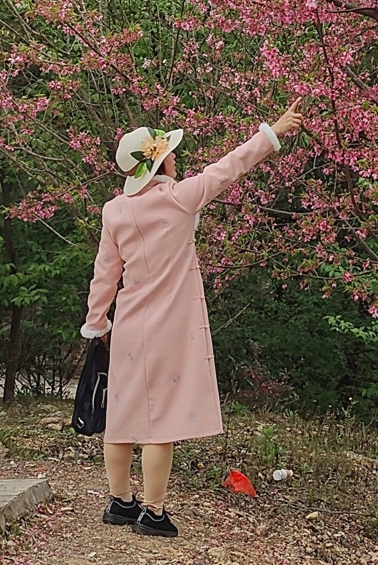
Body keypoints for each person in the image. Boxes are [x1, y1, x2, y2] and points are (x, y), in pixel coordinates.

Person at [81, 101, 305, 537]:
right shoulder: (179, 199)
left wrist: (97, 322)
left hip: (127, 321)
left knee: (122, 414)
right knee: (159, 421)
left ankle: (120, 501)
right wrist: (272, 132)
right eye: (170, 152)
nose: (176, 156)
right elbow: (229, 167)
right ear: (159, 161)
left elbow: (104, 273)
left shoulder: (114, 211)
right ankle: (154, 511)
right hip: (168, 326)